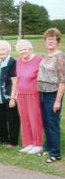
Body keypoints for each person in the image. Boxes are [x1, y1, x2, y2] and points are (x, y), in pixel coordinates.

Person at [37, 28, 65, 163]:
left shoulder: (60, 56)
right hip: (42, 93)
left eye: (53, 39)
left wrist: (57, 101)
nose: (50, 41)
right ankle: (48, 147)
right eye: (48, 39)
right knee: (46, 122)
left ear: (57, 41)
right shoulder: (46, 55)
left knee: (53, 123)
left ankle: (56, 153)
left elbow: (62, 81)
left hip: (53, 94)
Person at [16, 39, 43, 154]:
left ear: (30, 49)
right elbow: (17, 79)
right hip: (21, 94)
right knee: (24, 119)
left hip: (33, 94)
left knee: (34, 119)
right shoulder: (18, 61)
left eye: (25, 49)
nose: (23, 51)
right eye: (21, 50)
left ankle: (37, 144)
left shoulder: (39, 60)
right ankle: (28, 143)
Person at [0, 40, 20, 147]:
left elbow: (15, 81)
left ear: (8, 50)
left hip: (9, 96)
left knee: (13, 119)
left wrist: (13, 98)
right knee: (1, 118)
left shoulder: (12, 62)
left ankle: (12, 141)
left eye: (3, 49)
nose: (1, 51)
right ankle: (2, 138)